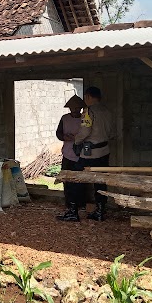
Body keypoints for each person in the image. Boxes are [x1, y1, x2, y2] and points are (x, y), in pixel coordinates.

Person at [73, 86, 115, 221]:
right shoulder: (107, 111)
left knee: (77, 179)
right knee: (101, 181)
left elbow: (85, 131)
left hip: (90, 152)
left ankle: (73, 211)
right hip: (104, 150)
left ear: (88, 97)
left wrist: (76, 141)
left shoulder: (88, 111)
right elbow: (112, 132)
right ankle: (100, 210)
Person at [56, 94, 86, 222]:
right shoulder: (64, 118)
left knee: (79, 182)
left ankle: (79, 205)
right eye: (72, 108)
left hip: (81, 154)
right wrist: (65, 137)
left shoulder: (85, 119)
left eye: (77, 108)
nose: (74, 110)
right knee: (67, 181)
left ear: (80, 108)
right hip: (67, 154)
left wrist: (77, 138)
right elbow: (58, 133)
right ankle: (70, 206)